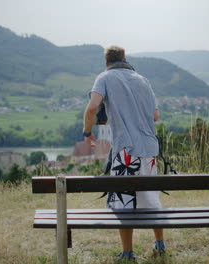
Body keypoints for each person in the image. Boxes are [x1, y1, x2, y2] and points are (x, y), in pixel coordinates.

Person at [83, 46, 165, 261]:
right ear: (125, 58)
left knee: (124, 204)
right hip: (149, 149)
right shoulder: (142, 79)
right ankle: (160, 244)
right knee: (151, 198)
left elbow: (92, 107)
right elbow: (155, 115)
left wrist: (87, 131)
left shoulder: (104, 77)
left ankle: (128, 253)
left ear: (106, 62)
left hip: (125, 151)